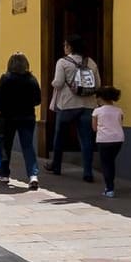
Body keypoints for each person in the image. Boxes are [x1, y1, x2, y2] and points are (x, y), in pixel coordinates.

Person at [47, 37, 101, 182]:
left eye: (65, 45)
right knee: (86, 140)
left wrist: (54, 82)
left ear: (70, 47)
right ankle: (88, 172)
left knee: (59, 136)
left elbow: (58, 83)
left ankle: (56, 166)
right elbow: (98, 85)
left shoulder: (63, 62)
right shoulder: (91, 62)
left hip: (68, 105)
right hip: (88, 105)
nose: (64, 47)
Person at [0, 53, 42, 189]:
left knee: (5, 146)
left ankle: (4, 174)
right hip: (27, 117)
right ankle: (33, 175)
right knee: (28, 146)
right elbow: (38, 100)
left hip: (8, 118)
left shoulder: (5, 78)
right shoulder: (32, 79)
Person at [93, 87, 125, 197]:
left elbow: (94, 128)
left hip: (104, 140)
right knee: (111, 162)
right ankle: (110, 186)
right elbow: (120, 123)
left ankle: (109, 188)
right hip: (118, 139)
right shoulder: (119, 110)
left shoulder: (97, 111)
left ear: (100, 98)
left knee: (106, 164)